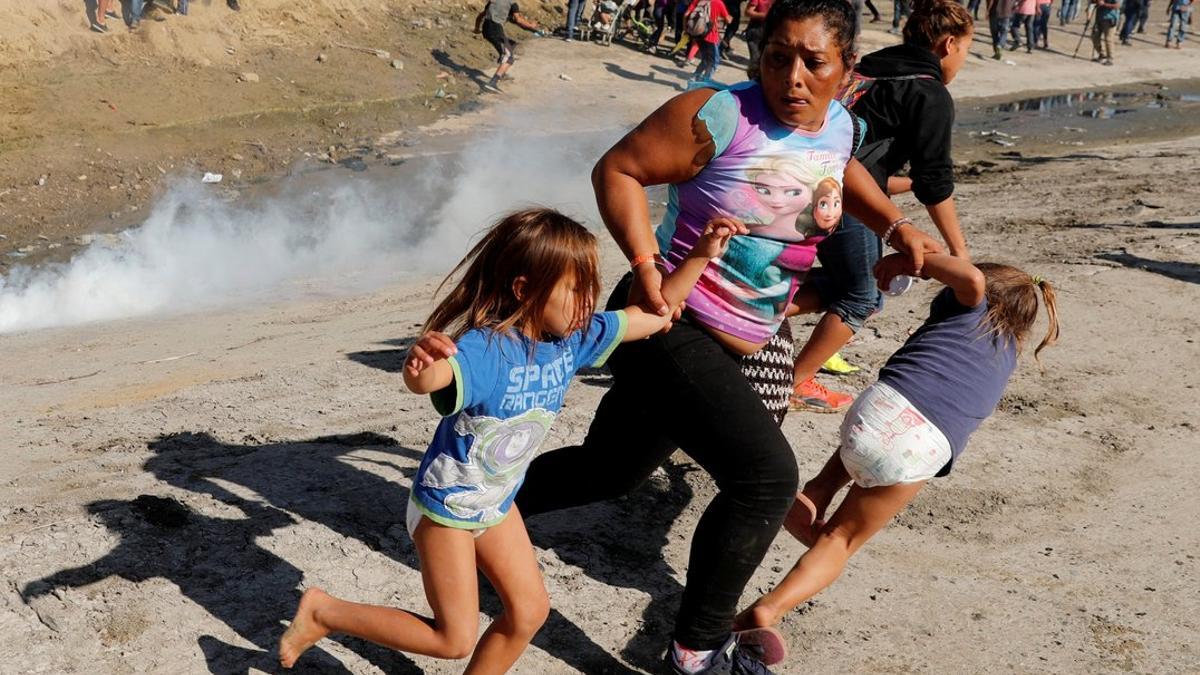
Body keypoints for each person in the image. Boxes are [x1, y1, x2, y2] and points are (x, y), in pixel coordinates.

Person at [515, 1, 944, 673]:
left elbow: (843, 167)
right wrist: (645, 263)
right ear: (758, 58)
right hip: (671, 322)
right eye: (778, 57)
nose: (793, 77)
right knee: (766, 477)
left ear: (847, 70)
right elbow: (618, 169)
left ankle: (479, 508)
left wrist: (895, 225)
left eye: (813, 62)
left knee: (611, 468)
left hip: (743, 336)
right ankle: (696, 652)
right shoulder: (720, 115)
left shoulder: (839, 124)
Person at [277, 208, 739, 671]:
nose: (587, 302)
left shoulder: (573, 340)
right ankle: (324, 612)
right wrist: (418, 367)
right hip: (447, 510)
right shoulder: (487, 348)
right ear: (523, 290)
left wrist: (700, 255)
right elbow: (433, 377)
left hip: (497, 504)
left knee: (528, 612)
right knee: (453, 638)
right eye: (575, 289)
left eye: (590, 288)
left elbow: (652, 317)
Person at [734, 256, 1060, 631]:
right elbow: (971, 279)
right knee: (841, 540)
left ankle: (812, 498)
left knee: (862, 452)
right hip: (923, 444)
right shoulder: (1006, 355)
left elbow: (969, 277)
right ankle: (769, 609)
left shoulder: (969, 305)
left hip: (877, 409)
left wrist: (915, 261)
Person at [787, 0, 973, 413]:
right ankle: (794, 382)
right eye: (966, 50)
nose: (962, 60)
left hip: (799, 173)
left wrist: (900, 188)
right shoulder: (928, 91)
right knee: (862, 296)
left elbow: (870, 159)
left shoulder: (868, 68)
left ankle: (748, 303)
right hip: (840, 193)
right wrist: (959, 252)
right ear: (948, 44)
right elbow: (934, 181)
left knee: (843, 283)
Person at [474, 0, 541, 92]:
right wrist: (531, 25)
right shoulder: (512, 3)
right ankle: (493, 83)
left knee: (511, 44)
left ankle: (502, 71)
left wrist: (477, 29)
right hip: (495, 30)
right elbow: (518, 20)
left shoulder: (494, 1)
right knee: (509, 58)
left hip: (486, 29)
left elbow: (480, 16)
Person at [685, 0, 733, 83]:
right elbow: (728, 20)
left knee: (705, 59)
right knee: (713, 62)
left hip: (699, 35)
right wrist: (730, 18)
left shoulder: (698, 1)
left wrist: (686, 30)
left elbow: (686, 14)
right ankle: (704, 82)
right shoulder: (718, 2)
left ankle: (694, 78)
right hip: (711, 36)